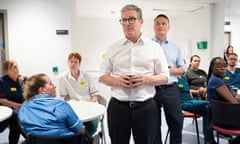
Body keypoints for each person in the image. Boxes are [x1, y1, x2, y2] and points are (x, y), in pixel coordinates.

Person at [99, 4, 169, 144]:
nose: (127, 24)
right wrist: (117, 81)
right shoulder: (113, 48)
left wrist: (145, 79)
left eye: (131, 19)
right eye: (123, 20)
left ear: (141, 21)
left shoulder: (154, 48)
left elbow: (165, 76)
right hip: (118, 107)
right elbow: (102, 76)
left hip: (145, 107)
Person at [152, 14, 186, 144]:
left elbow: (183, 69)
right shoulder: (147, 45)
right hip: (152, 89)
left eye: (164, 23)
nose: (161, 26)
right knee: (153, 126)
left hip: (171, 89)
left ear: (168, 27)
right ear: (154, 26)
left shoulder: (175, 46)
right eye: (158, 23)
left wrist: (172, 70)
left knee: (177, 123)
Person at [18, 73, 85, 136]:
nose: (55, 86)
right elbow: (80, 131)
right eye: (51, 84)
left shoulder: (24, 108)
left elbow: (26, 132)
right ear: (42, 90)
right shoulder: (61, 105)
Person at [59, 52, 101, 136]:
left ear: (79, 64)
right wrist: (76, 105)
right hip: (74, 107)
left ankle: (88, 139)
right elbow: (66, 97)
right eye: (71, 61)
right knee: (72, 129)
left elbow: (94, 95)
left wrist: (89, 105)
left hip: (89, 105)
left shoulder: (87, 76)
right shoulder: (62, 77)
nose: (73, 64)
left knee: (91, 128)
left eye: (75, 62)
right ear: (68, 63)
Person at [207, 57, 239, 144]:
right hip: (224, 119)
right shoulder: (216, 81)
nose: (222, 68)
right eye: (218, 66)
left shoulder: (220, 79)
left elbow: (235, 95)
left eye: (224, 65)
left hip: (225, 115)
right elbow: (234, 102)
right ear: (212, 67)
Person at [177, 74, 214, 143]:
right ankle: (209, 140)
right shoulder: (172, 78)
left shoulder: (183, 77)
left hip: (190, 100)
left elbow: (188, 91)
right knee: (209, 104)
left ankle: (209, 139)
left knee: (208, 110)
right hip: (182, 103)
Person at [0, 60, 26, 144]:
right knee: (16, 117)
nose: (16, 69)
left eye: (16, 66)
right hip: (7, 107)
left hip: (21, 106)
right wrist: (19, 106)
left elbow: (27, 96)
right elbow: (3, 101)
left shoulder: (22, 80)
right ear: (7, 71)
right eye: (12, 68)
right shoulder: (2, 82)